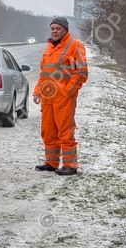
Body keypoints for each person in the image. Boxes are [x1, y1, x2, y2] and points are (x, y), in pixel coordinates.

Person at [33, 16, 88, 176]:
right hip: (47, 98)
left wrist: (68, 92)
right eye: (53, 28)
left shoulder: (75, 45)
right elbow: (44, 74)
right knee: (48, 131)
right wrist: (37, 91)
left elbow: (81, 73)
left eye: (58, 28)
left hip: (63, 99)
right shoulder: (49, 48)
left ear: (65, 30)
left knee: (65, 132)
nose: (55, 31)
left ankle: (70, 165)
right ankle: (51, 162)